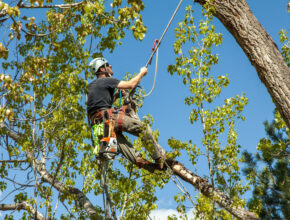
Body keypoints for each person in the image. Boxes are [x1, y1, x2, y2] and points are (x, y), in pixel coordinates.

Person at [87, 57, 166, 172]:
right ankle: (159, 158)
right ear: (102, 68)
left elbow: (99, 104)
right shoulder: (106, 80)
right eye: (108, 65)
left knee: (126, 149)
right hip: (108, 118)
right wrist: (142, 73)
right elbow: (131, 84)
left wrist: (115, 95)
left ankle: (152, 168)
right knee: (143, 129)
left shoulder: (91, 87)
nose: (111, 67)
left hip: (99, 127)